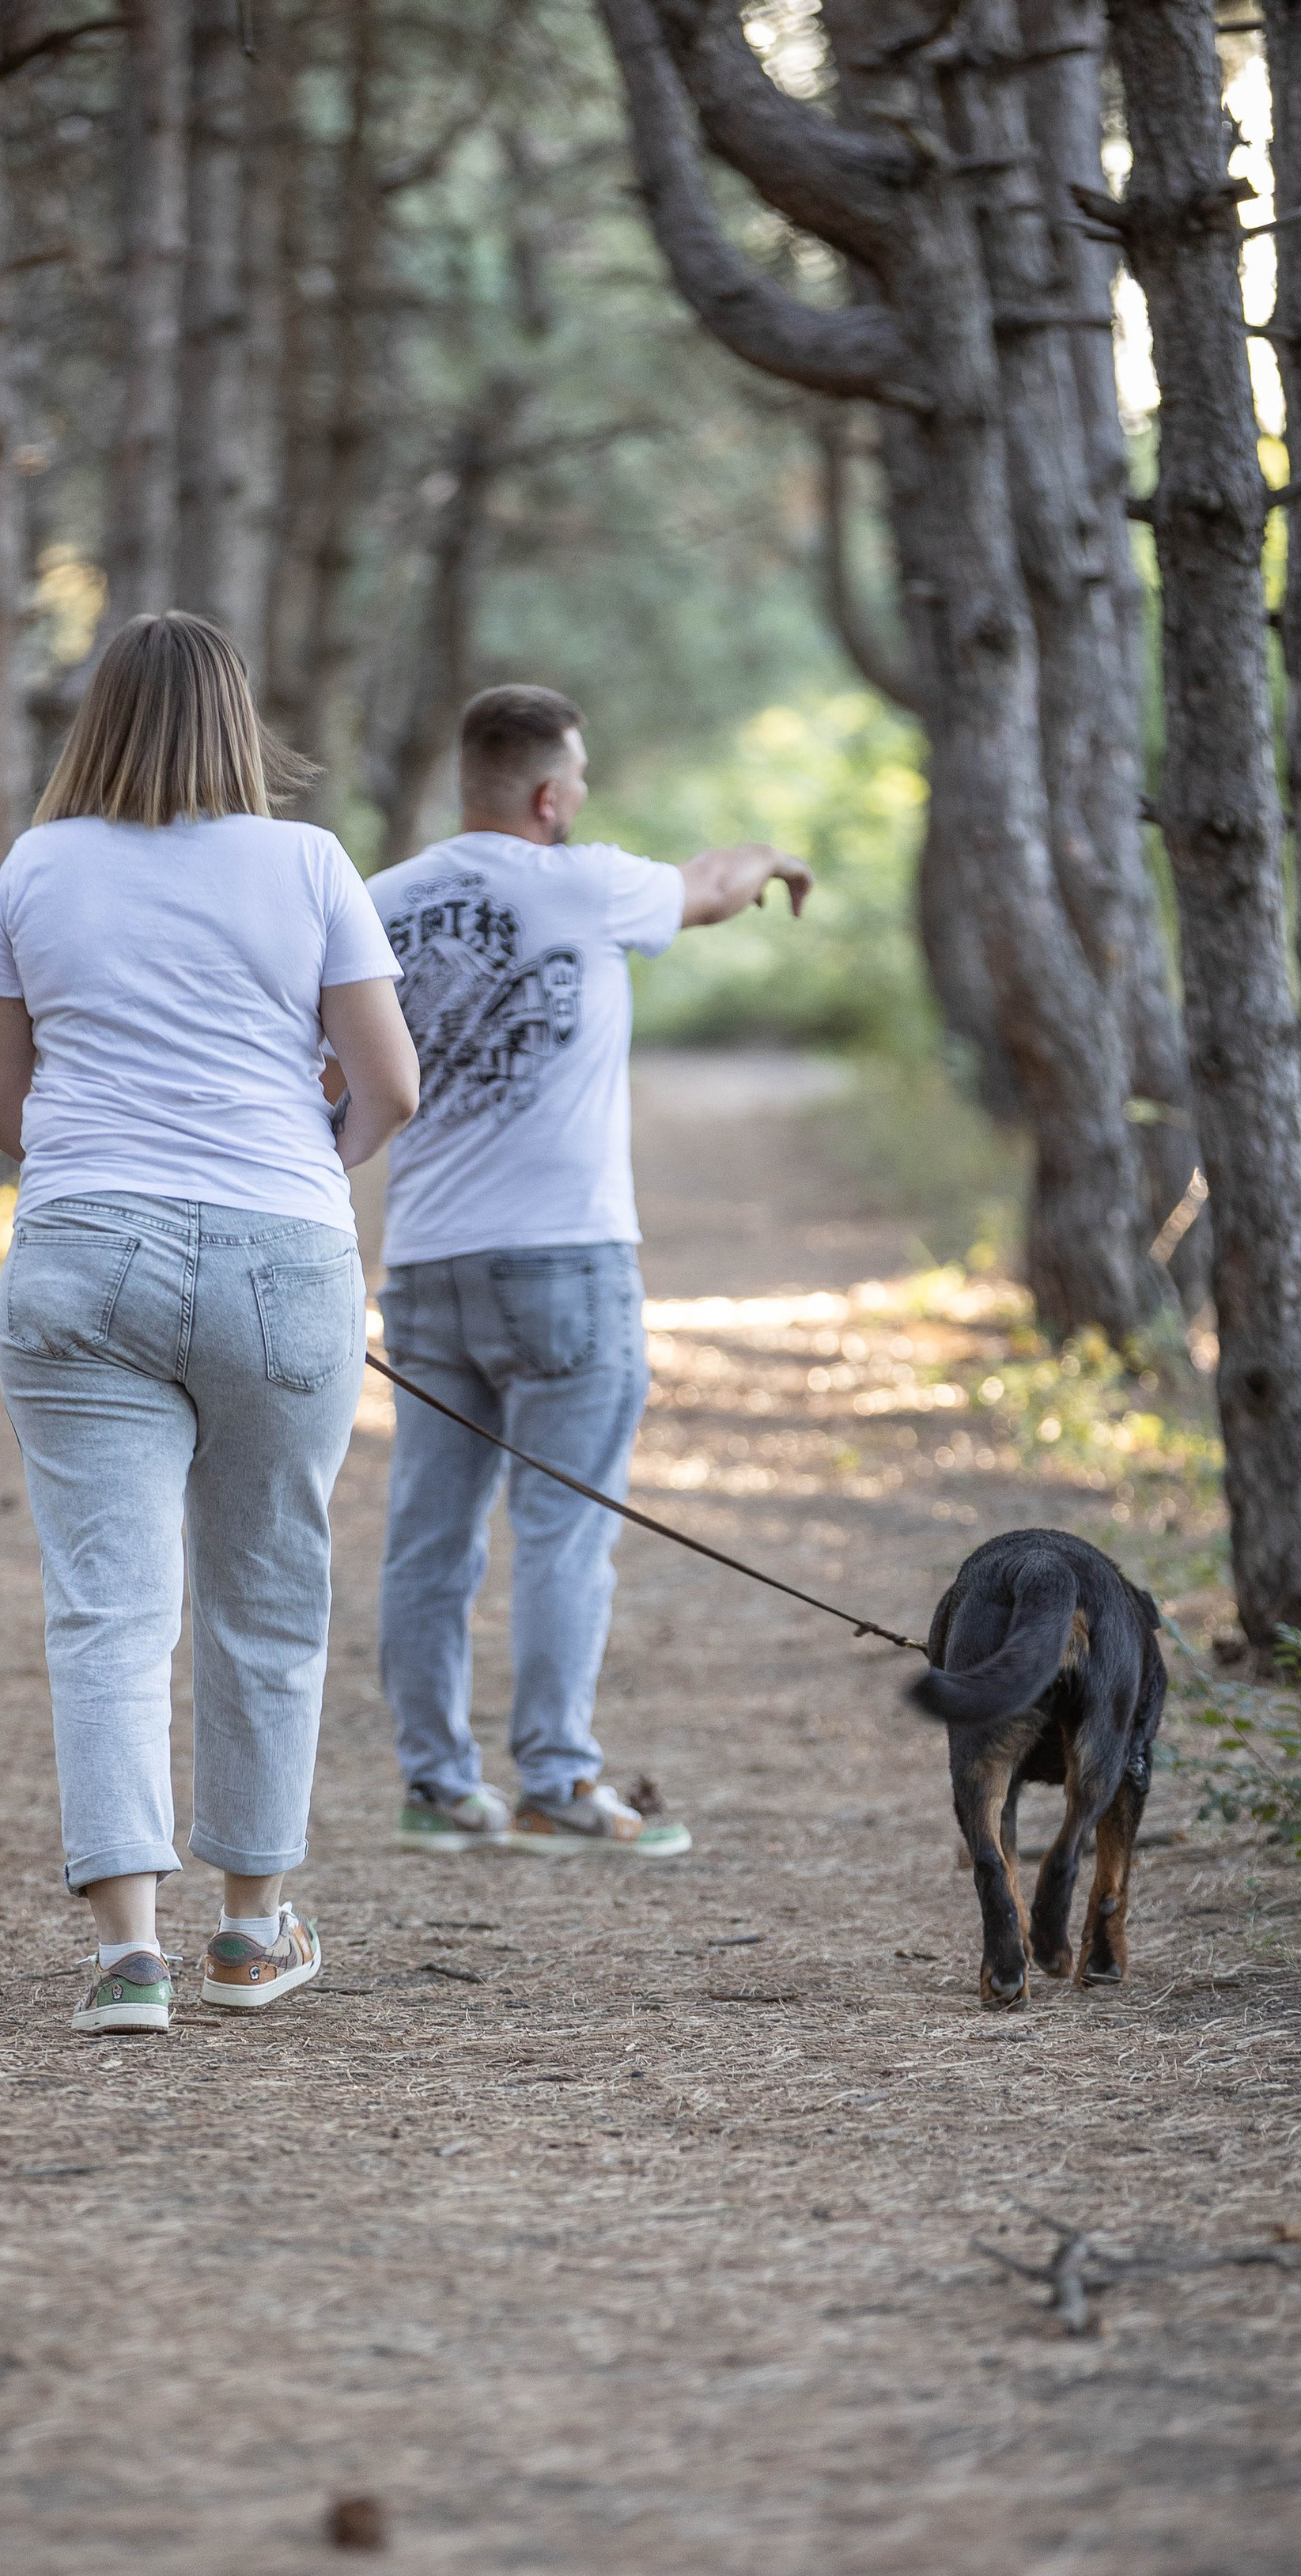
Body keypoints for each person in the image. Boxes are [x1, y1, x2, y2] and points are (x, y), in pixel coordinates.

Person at [0, 613, 418, 2029]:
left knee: (109, 1608)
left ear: (100, 719)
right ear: (238, 720)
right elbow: (387, 1084)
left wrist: (105, 1188)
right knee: (267, 1597)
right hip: (283, 1251)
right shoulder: (310, 864)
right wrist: (288, 1189)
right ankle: (249, 1931)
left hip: (83, 1250)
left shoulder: (37, 866)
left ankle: (124, 1958)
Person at [366, 683, 810, 1855]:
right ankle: (559, 1781)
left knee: (429, 1535)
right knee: (564, 1530)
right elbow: (712, 888)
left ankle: (439, 1788)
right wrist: (768, 856)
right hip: (565, 1260)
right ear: (552, 795)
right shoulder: (590, 879)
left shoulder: (379, 902)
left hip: (424, 1265)